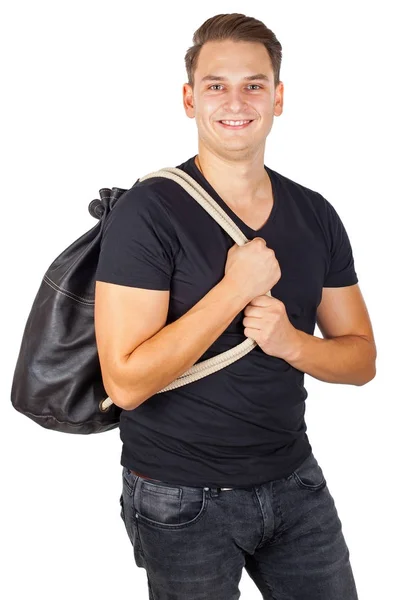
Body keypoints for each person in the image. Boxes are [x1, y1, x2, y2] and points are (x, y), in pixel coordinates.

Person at [94, 12, 376, 600]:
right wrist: (233, 290)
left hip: (295, 481)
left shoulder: (315, 213)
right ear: (189, 98)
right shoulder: (148, 213)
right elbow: (125, 384)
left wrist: (293, 343)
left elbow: (361, 360)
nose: (235, 101)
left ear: (278, 98)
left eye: (253, 84)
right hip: (179, 497)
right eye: (216, 85)